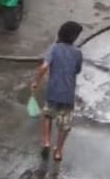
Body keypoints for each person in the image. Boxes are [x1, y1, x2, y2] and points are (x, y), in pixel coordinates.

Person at [31, 21, 83, 161]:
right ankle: (58, 151)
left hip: (53, 92)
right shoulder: (77, 53)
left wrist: (36, 81)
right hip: (68, 95)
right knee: (64, 125)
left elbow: (44, 67)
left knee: (47, 115)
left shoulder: (54, 48)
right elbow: (77, 70)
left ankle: (46, 141)